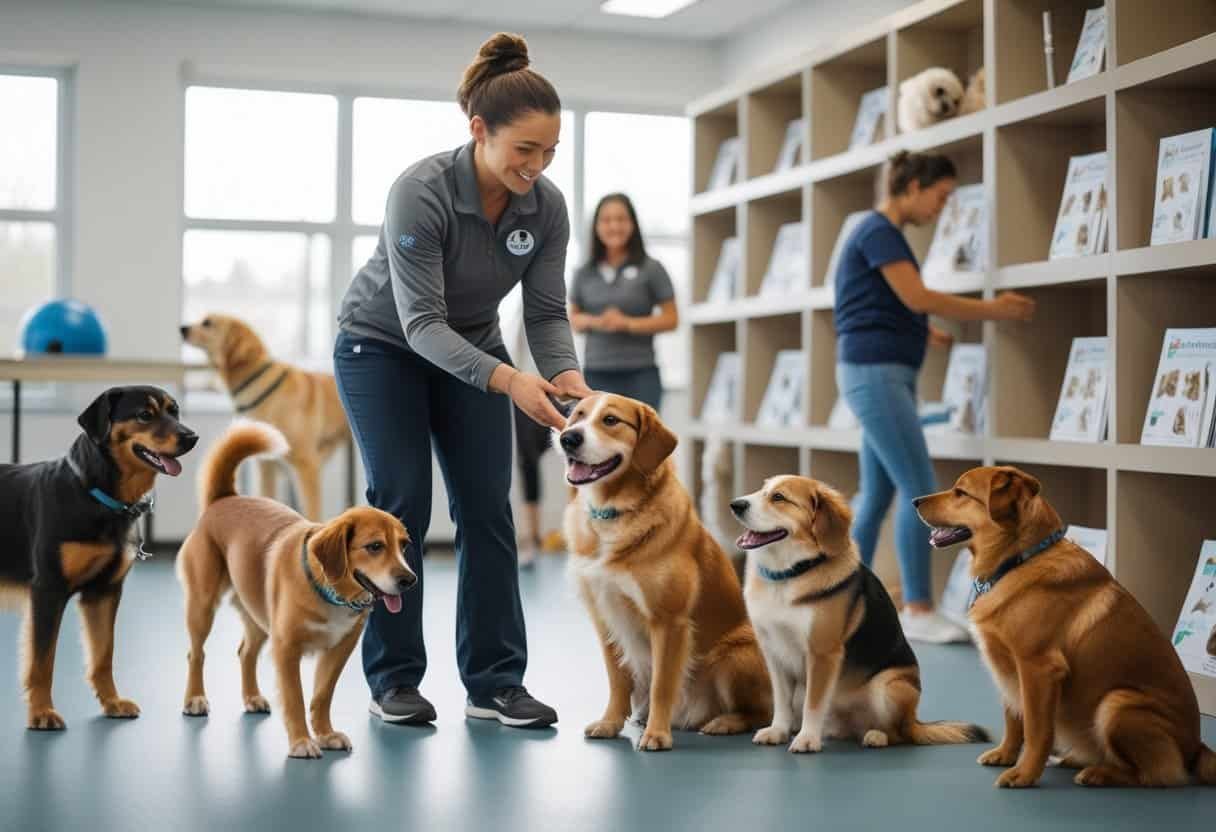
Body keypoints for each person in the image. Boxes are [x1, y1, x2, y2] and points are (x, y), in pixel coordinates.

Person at [332, 32, 591, 729]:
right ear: (479, 131)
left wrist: (567, 377)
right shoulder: (419, 193)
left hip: (475, 351)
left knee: (487, 508)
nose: (535, 167)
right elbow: (420, 324)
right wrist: (511, 382)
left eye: (549, 153)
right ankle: (394, 679)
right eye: (523, 151)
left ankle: (496, 683)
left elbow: (543, 311)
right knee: (400, 505)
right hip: (381, 348)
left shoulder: (546, 208)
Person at [833, 149, 1035, 644]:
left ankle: (837, 599)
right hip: (876, 376)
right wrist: (997, 310)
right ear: (914, 186)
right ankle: (918, 607)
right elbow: (917, 297)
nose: (940, 210)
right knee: (920, 486)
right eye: (940, 197)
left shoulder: (877, 233)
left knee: (879, 493)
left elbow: (881, 304)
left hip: (879, 373)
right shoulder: (879, 232)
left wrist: (922, 332)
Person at [568, 193, 678, 411]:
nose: (614, 226)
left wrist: (627, 323)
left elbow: (671, 319)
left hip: (641, 373)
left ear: (632, 224)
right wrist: (597, 321)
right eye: (606, 220)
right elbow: (574, 320)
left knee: (642, 443)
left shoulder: (651, 268)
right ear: (596, 226)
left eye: (621, 219)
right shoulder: (583, 272)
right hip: (596, 373)